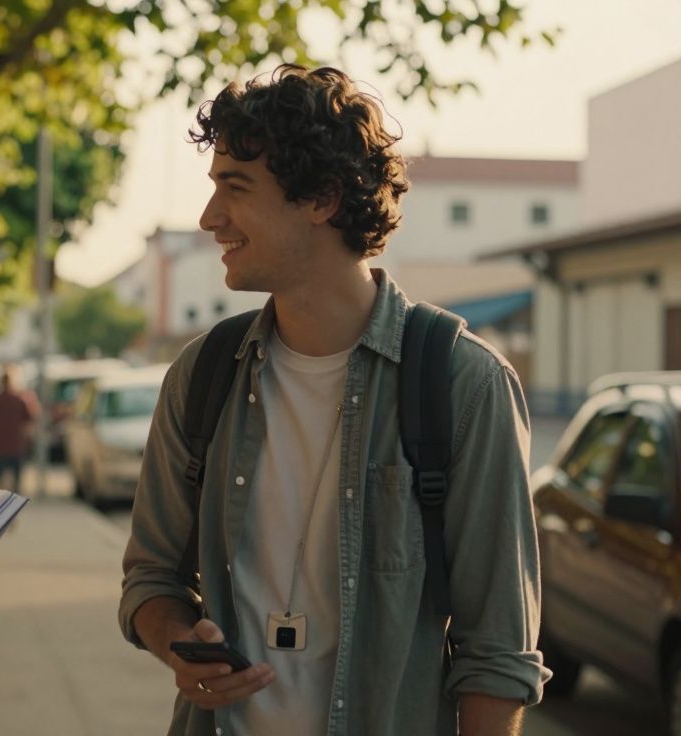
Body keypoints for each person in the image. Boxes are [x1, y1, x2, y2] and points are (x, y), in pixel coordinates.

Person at [119, 65, 549, 736]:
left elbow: (498, 653)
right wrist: (181, 644)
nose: (209, 218)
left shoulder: (462, 382)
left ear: (321, 198)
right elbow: (150, 579)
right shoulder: (203, 375)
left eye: (235, 187)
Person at [0, 364, 40, 494]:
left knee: (0, 485)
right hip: (16, 446)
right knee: (17, 486)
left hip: (0, 445)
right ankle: (14, 506)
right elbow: (30, 421)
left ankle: (0, 506)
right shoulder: (20, 400)